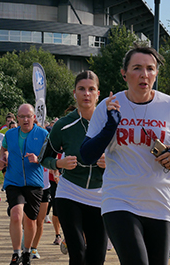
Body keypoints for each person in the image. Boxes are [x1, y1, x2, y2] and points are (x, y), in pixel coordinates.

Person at [79, 45, 170, 265]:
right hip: (119, 200)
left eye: (150, 69)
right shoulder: (109, 106)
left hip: (160, 204)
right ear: (124, 73)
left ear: (156, 73)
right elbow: (86, 155)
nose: (144, 75)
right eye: (137, 68)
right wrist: (111, 127)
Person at [41, 70, 108, 265]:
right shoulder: (62, 125)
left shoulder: (110, 123)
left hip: (101, 195)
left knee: (97, 257)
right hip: (70, 192)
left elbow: (126, 158)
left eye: (91, 89)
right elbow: (44, 158)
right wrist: (58, 164)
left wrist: (109, 162)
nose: (86, 94)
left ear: (98, 93)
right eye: (82, 89)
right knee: (77, 253)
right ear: (74, 93)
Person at [0, 103, 48, 265]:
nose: (25, 119)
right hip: (13, 180)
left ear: (34, 117)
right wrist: (3, 157)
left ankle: (27, 252)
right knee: (16, 215)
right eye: (22, 116)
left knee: (30, 220)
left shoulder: (43, 134)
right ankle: (15, 253)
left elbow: (50, 157)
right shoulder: (10, 134)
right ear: (17, 118)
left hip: (34, 182)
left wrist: (38, 159)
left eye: (29, 116)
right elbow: (3, 149)